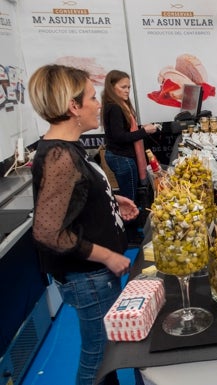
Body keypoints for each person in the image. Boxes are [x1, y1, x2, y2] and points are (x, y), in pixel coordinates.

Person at [29, 64, 138, 385]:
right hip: (88, 278)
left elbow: (72, 197)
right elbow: (48, 233)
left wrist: (109, 198)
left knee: (106, 354)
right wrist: (107, 256)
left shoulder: (68, 148)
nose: (98, 103)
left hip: (92, 278)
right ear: (73, 107)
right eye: (92, 97)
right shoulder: (60, 156)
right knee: (99, 358)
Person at [102, 70, 158, 204]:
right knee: (130, 200)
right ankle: (132, 224)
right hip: (122, 158)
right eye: (123, 87)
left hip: (120, 157)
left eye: (128, 87)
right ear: (111, 87)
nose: (127, 91)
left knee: (130, 196)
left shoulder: (116, 105)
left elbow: (123, 131)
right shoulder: (115, 108)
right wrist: (144, 131)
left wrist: (140, 129)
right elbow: (120, 137)